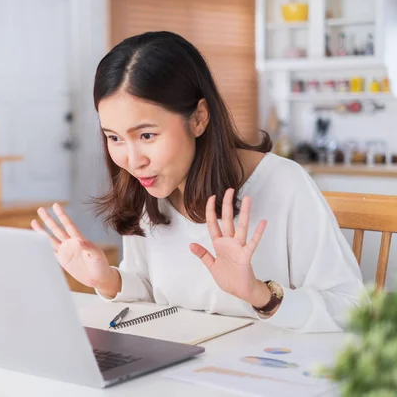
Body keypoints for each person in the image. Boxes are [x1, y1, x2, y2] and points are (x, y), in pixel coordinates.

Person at [30, 31, 365, 333]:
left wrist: (260, 294)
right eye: (114, 138)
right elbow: (151, 292)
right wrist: (107, 280)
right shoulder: (149, 188)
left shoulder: (284, 184)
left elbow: (352, 308)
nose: (132, 161)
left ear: (199, 118)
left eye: (146, 134)